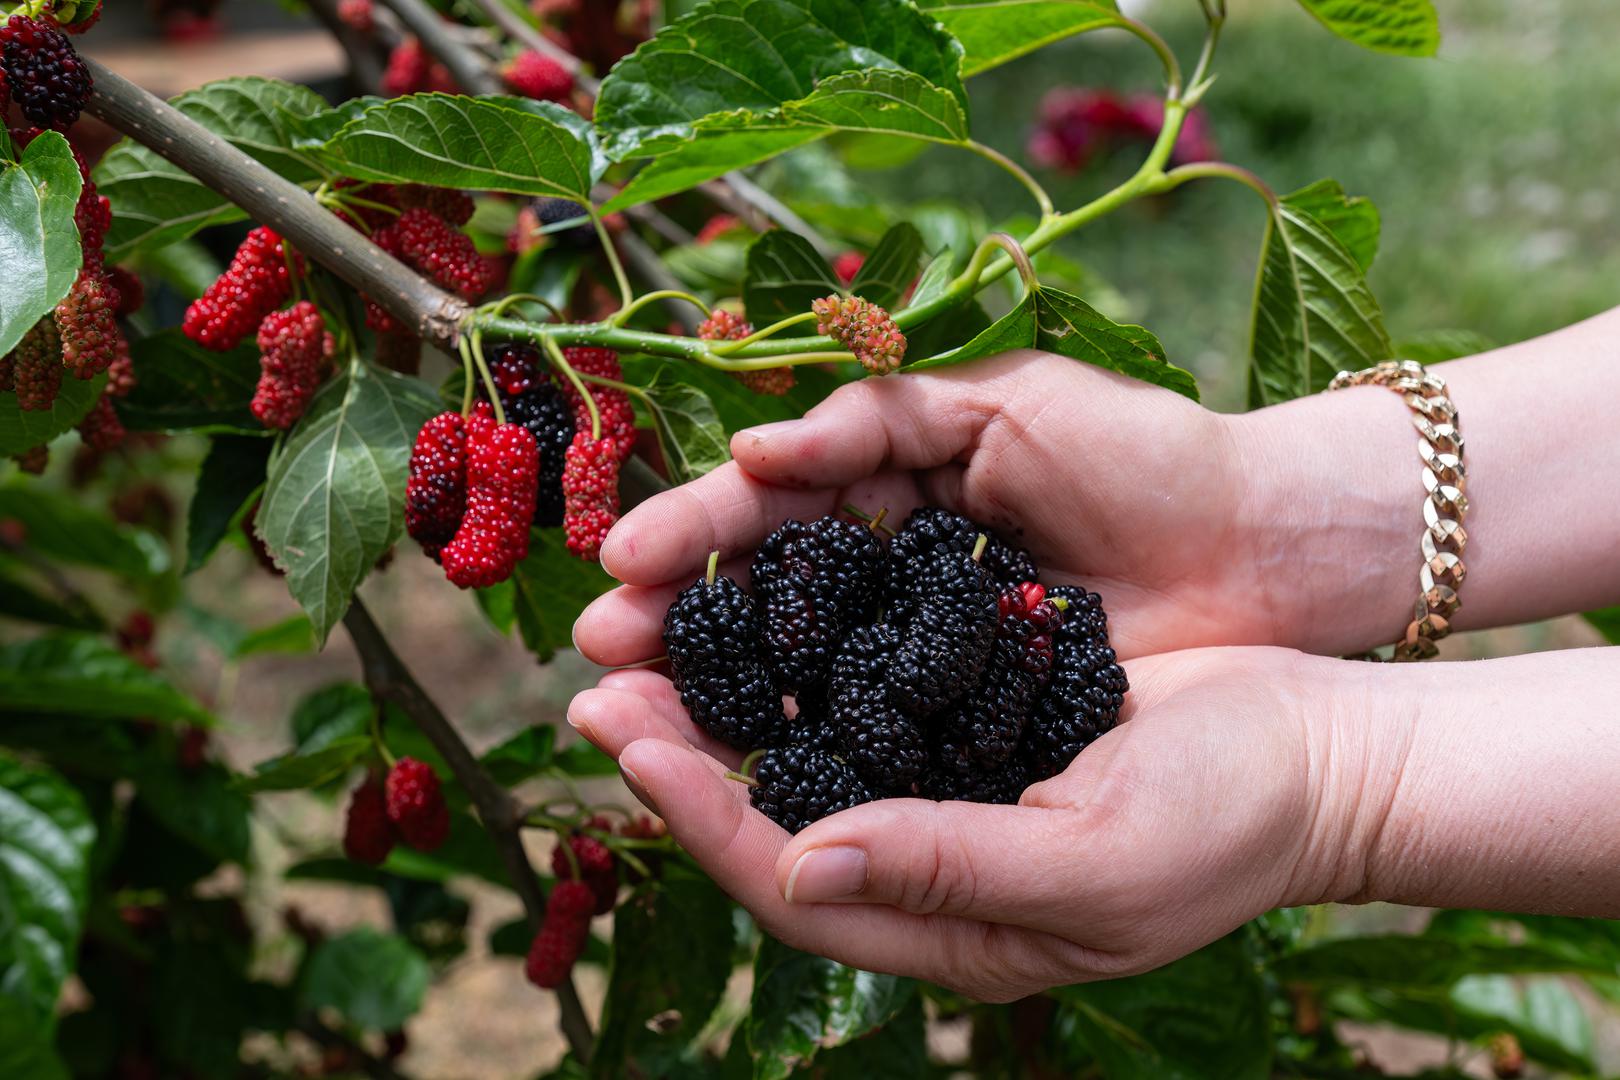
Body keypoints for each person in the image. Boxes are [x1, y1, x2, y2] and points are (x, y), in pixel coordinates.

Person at [565, 307, 1620, 1003]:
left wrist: (1339, 781)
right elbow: (915, 662)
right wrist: (1264, 507)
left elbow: (935, 664)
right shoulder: (906, 623)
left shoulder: (969, 626)